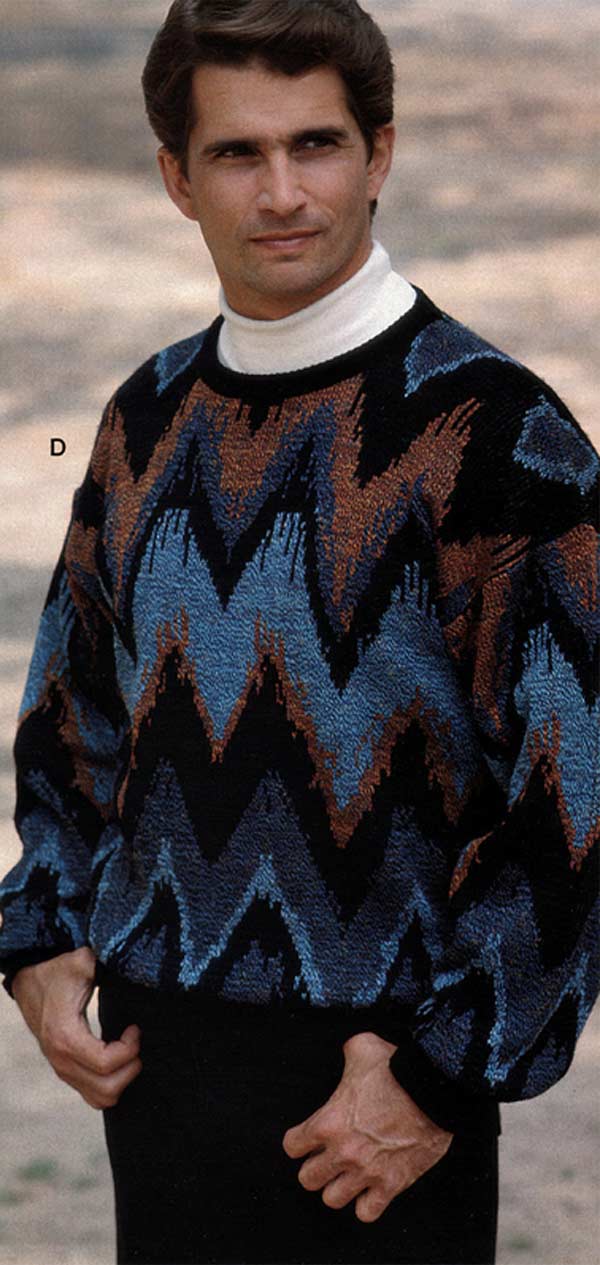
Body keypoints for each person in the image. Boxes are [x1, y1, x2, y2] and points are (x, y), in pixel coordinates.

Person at [0, 1, 598, 1263]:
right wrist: (39, 930)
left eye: (315, 144)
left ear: (380, 154)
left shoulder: (502, 435)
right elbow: (71, 710)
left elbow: (581, 787)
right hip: (158, 1078)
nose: (282, 192)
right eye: (237, 152)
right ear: (177, 178)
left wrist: (442, 1074)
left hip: (379, 1104)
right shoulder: (146, 414)